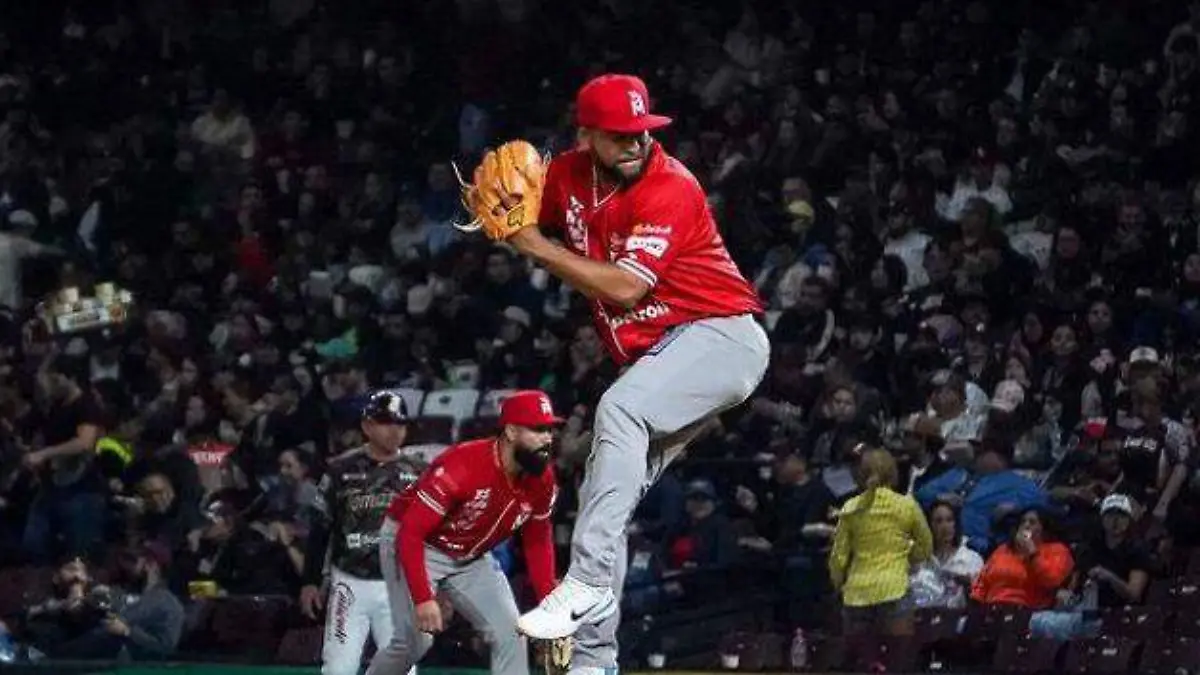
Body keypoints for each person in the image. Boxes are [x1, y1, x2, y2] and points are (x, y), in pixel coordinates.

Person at [504, 73, 771, 671]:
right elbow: (515, 207)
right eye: (619, 134)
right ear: (586, 136)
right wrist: (494, 209)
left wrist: (535, 246)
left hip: (722, 337)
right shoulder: (569, 175)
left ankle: (585, 583)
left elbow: (626, 288)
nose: (635, 143)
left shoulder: (670, 184)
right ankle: (594, 658)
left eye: (641, 131)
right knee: (606, 492)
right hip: (665, 356)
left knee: (619, 409)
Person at [365, 390, 561, 675]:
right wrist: (423, 598)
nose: (547, 439)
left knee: (511, 632)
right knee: (415, 643)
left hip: (470, 555)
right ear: (511, 431)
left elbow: (537, 540)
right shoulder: (463, 465)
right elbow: (411, 534)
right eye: (538, 430)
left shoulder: (542, 478)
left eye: (550, 430)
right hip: (416, 543)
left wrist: (549, 603)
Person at [299, 391, 425, 675]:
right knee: (338, 668)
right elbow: (320, 527)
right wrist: (310, 581)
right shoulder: (338, 469)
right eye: (386, 422)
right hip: (349, 583)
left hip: (399, 586)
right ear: (367, 426)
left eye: (400, 423)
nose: (395, 430)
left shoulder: (420, 473)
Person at [828, 447, 932, 637]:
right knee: (898, 653)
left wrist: (838, 583)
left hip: (857, 593)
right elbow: (926, 546)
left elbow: (839, 556)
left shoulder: (851, 508)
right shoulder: (906, 505)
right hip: (894, 588)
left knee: (861, 654)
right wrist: (906, 556)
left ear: (860, 474)